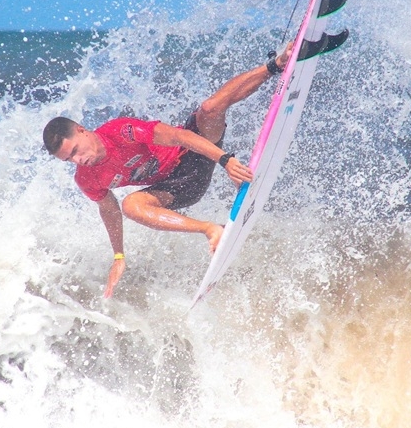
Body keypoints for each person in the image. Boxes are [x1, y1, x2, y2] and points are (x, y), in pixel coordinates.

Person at [43, 44, 292, 298]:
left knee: (209, 108)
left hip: (194, 153)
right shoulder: (86, 178)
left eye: (74, 151)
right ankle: (210, 228)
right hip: (178, 189)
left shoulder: (122, 131)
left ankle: (275, 66)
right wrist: (118, 256)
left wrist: (225, 160)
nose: (77, 160)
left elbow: (179, 136)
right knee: (131, 205)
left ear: (82, 130)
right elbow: (109, 210)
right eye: (69, 159)